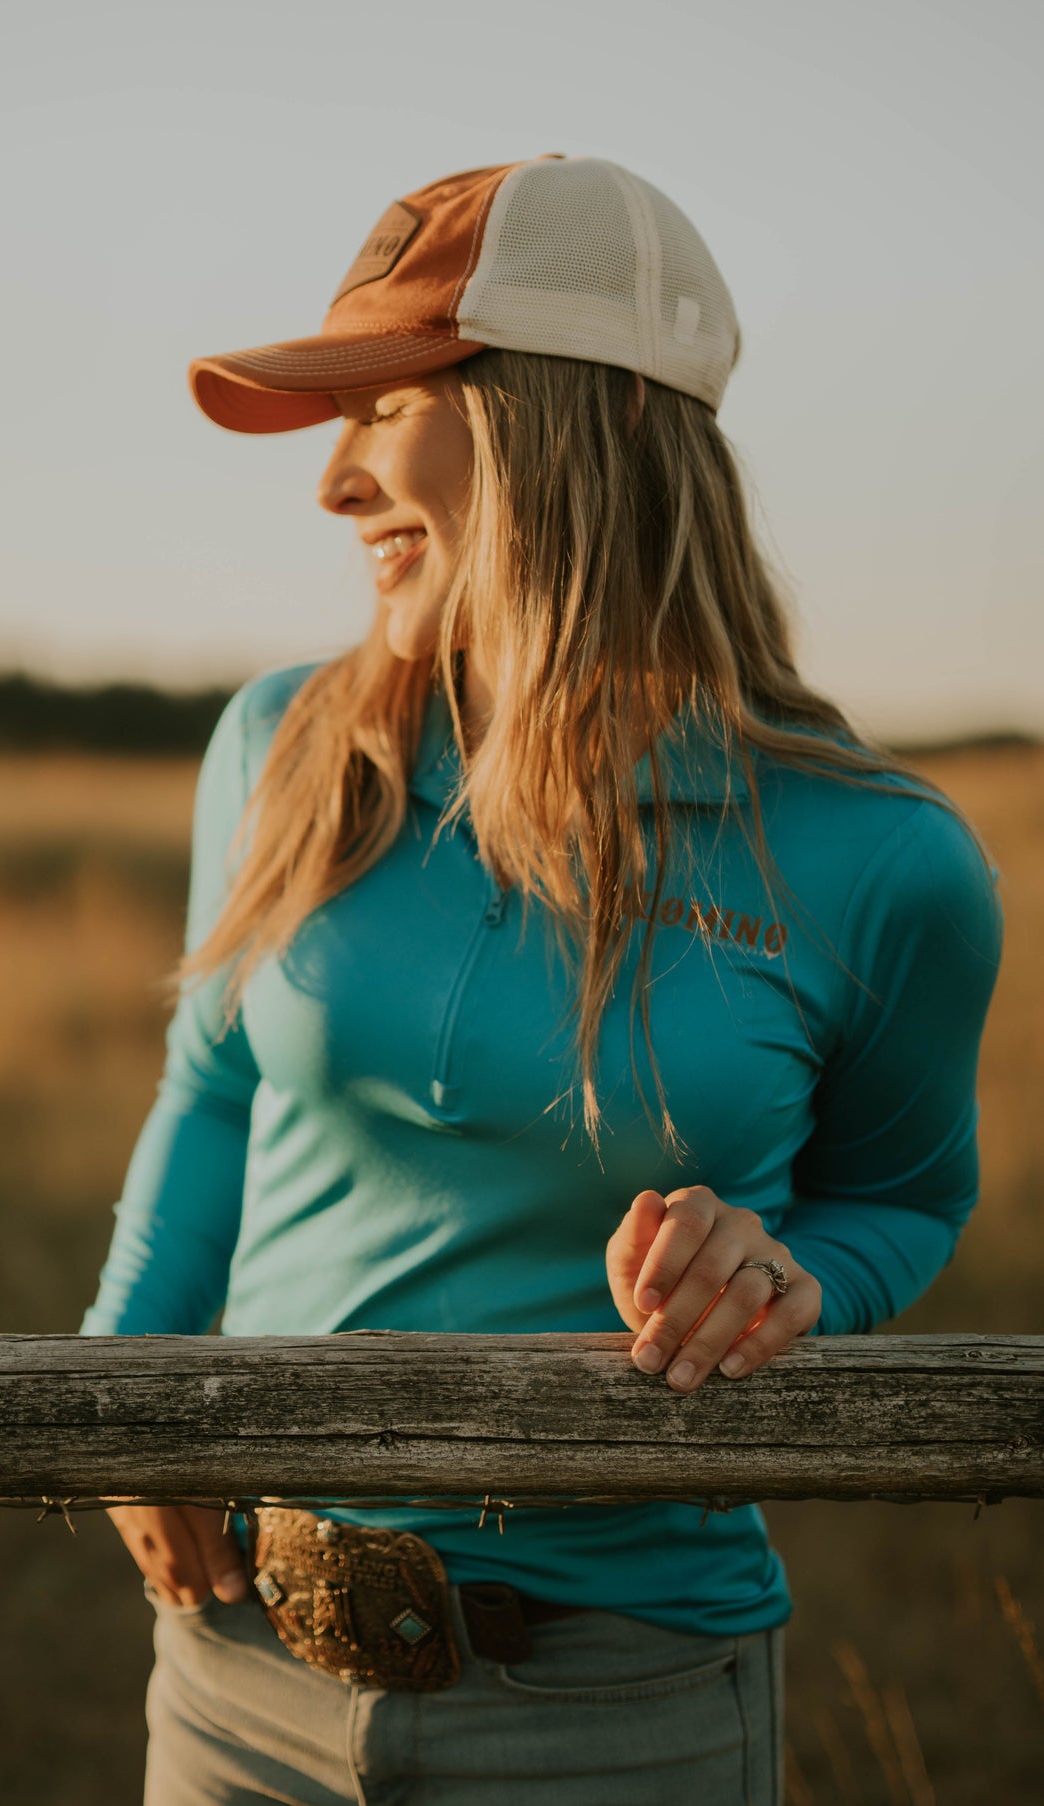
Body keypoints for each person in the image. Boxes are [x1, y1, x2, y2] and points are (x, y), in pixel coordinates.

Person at [81, 155, 1003, 1805]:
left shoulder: (881, 858)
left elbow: (905, 1196)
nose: (333, 482)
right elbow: (210, 1088)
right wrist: (125, 1386)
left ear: (577, 418)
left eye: (383, 407)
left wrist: (786, 1274)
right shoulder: (283, 744)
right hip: (234, 1679)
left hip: (617, 1709)